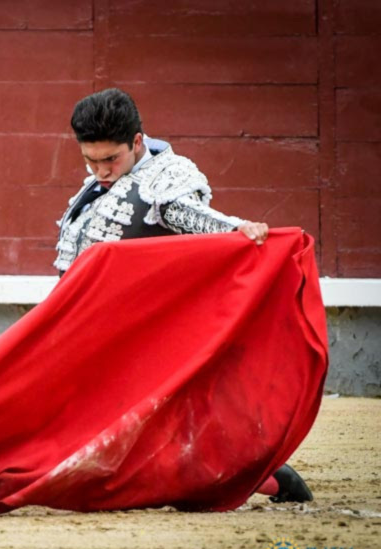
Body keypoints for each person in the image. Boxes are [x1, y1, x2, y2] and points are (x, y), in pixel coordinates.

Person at [54, 88, 312, 504]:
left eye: (110, 159)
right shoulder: (96, 186)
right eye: (90, 159)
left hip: (137, 338)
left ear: (137, 142)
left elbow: (193, 218)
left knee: (149, 441)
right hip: (87, 330)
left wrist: (236, 229)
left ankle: (268, 478)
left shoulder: (165, 179)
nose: (100, 170)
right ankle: (266, 476)